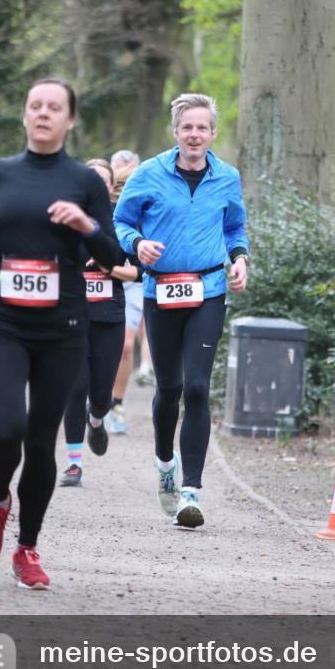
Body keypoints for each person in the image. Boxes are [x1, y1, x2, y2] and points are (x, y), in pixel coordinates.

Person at [0, 78, 119, 589]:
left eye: (54, 107)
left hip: (63, 324)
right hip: (2, 317)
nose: (43, 113)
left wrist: (87, 228)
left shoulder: (84, 182)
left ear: (70, 120)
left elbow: (114, 258)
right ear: (24, 116)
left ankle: (28, 548)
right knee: (6, 429)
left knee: (41, 440)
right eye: (35, 106)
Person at [114, 93, 249, 528]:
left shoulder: (227, 177)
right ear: (176, 132)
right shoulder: (149, 174)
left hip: (208, 290)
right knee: (168, 388)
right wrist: (138, 245)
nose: (194, 134)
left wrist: (241, 258)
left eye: (202, 127)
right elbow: (120, 222)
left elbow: (234, 226)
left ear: (213, 133)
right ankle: (165, 465)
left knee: (196, 388)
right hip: (161, 290)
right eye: (187, 127)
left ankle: (191, 491)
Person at [60, 159, 139, 486]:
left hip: (108, 315)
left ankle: (98, 418)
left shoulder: (121, 219)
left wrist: (110, 268)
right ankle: (74, 464)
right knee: (75, 387)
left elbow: (137, 271)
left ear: (109, 186)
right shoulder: (64, 217)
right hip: (72, 317)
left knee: (101, 394)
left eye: (101, 179)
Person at [107, 156, 147, 435]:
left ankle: (116, 403)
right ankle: (91, 397)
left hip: (133, 281)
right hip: (101, 280)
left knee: (124, 345)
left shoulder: (150, 209)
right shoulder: (105, 208)